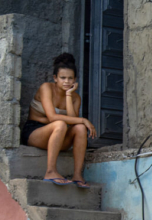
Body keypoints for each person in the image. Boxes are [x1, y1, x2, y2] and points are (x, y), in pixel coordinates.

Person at [21, 53, 96, 188]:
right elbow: (52, 117)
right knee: (60, 124)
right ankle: (50, 171)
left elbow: (74, 122)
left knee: (80, 128)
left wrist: (69, 95)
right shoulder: (46, 88)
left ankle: (77, 175)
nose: (66, 81)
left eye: (70, 78)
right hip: (35, 132)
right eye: (62, 78)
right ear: (55, 78)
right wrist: (83, 119)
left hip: (58, 135)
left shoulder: (75, 98)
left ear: (75, 80)